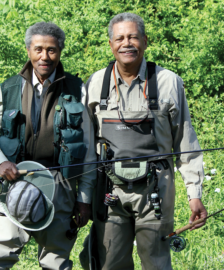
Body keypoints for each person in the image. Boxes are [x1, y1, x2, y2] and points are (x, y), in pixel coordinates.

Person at [83, 13, 207, 270]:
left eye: (133, 37)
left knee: (156, 263)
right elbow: (85, 147)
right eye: (120, 38)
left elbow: (186, 143)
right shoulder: (95, 84)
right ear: (111, 44)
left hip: (156, 192)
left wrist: (194, 194)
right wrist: (83, 196)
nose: (126, 43)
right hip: (108, 193)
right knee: (109, 263)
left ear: (145, 41)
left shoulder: (168, 82)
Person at [0, 21, 96, 270]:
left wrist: (84, 199)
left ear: (60, 51)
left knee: (56, 263)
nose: (45, 56)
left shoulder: (76, 90)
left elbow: (88, 149)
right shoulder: (8, 89)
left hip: (59, 186)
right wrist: (0, 162)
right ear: (28, 50)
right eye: (38, 49)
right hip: (12, 182)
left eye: (51, 50)